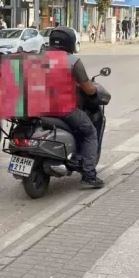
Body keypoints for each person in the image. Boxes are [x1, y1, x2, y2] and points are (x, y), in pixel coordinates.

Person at [47, 27, 105, 189]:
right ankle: (89, 175)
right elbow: (87, 88)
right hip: (63, 109)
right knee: (90, 132)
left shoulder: (37, 58)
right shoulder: (72, 61)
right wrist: (94, 91)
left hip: (37, 108)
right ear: (70, 42)